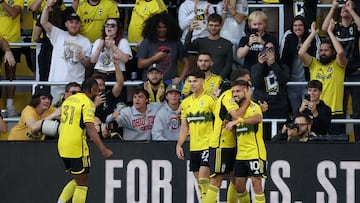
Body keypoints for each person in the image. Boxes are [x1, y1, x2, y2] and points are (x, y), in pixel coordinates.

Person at [57, 78, 113, 203]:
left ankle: (61, 201)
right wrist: (103, 149)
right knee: (82, 184)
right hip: (77, 146)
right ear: (92, 89)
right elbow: (90, 127)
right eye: (97, 89)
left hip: (62, 144)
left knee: (78, 178)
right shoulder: (87, 103)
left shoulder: (68, 100)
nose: (98, 92)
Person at [202, 71, 251, 203]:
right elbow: (237, 115)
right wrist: (248, 102)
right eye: (247, 80)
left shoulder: (239, 97)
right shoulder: (228, 96)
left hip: (234, 143)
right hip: (221, 143)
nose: (249, 83)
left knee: (235, 179)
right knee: (216, 181)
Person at [298, 20, 347, 135]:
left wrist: (330, 32)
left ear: (332, 51)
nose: (323, 53)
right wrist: (313, 34)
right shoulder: (314, 63)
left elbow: (340, 52)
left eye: (326, 50)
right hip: (316, 110)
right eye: (321, 50)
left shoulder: (338, 65)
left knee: (336, 146)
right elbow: (301, 53)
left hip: (336, 112)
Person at [322, 0, 360, 141]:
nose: (345, 8)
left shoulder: (355, 26)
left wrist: (351, 10)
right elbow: (324, 28)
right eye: (343, 7)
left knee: (357, 111)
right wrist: (333, 8)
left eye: (348, 6)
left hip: (355, 71)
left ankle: (358, 140)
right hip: (338, 72)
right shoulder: (335, 27)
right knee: (340, 109)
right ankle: (340, 139)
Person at [176, 69, 216, 201]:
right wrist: (179, 144)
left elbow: (220, 120)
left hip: (209, 144)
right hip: (194, 146)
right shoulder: (186, 103)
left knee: (204, 179)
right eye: (190, 81)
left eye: (195, 81)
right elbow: (184, 125)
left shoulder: (210, 99)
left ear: (203, 82)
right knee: (201, 184)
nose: (192, 84)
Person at [41, 2, 92, 103]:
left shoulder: (85, 41)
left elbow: (89, 65)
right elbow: (43, 22)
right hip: (57, 83)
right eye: (71, 22)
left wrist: (83, 58)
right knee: (56, 112)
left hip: (75, 86)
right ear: (66, 24)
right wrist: (47, 6)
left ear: (80, 25)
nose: (74, 25)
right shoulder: (58, 34)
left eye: (76, 23)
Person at [225, 79, 266, 203]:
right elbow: (238, 130)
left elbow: (257, 118)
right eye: (233, 92)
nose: (235, 94)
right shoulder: (235, 111)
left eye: (238, 91)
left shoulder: (254, 106)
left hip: (255, 152)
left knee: (256, 183)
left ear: (246, 91)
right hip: (240, 154)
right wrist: (230, 126)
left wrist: (239, 121)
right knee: (239, 187)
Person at [280, 15, 321, 115]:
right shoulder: (288, 36)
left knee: (308, 111)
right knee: (296, 111)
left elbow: (317, 57)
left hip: (307, 81)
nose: (297, 28)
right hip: (292, 82)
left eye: (300, 25)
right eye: (295, 25)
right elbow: (283, 59)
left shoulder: (312, 35)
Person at [137, 12, 190, 84]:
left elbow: (187, 62)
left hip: (170, 84)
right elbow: (140, 64)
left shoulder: (176, 42)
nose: (162, 30)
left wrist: (181, 78)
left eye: (165, 27)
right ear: (154, 28)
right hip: (150, 84)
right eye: (159, 27)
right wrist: (155, 58)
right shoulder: (147, 42)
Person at [251, 41, 289, 140]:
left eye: (271, 49)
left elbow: (284, 80)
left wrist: (273, 64)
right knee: (262, 134)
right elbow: (256, 83)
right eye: (265, 49)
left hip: (279, 105)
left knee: (279, 135)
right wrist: (260, 65)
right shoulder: (255, 66)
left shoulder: (283, 66)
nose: (268, 52)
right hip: (262, 103)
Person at [185, 13, 233, 79]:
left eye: (216, 25)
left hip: (219, 79)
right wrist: (190, 31)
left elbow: (228, 65)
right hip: (201, 79)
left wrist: (219, 78)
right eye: (211, 25)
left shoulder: (227, 44)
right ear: (207, 25)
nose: (213, 28)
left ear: (221, 26)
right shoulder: (200, 41)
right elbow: (187, 47)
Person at [31, 0, 70, 81]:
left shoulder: (44, 15)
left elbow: (36, 37)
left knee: (45, 81)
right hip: (63, 51)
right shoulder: (67, 13)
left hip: (46, 50)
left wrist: (45, 41)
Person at [0, 0, 24, 117]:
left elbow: (14, 13)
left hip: (12, 40)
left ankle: (9, 106)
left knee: (10, 74)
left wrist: (2, 2)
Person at [216, 0, 248, 69]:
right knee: (225, 65)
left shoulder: (243, 2)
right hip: (224, 38)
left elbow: (240, 20)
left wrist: (232, 9)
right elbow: (219, 24)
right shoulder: (220, 4)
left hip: (239, 38)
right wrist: (224, 10)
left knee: (239, 65)